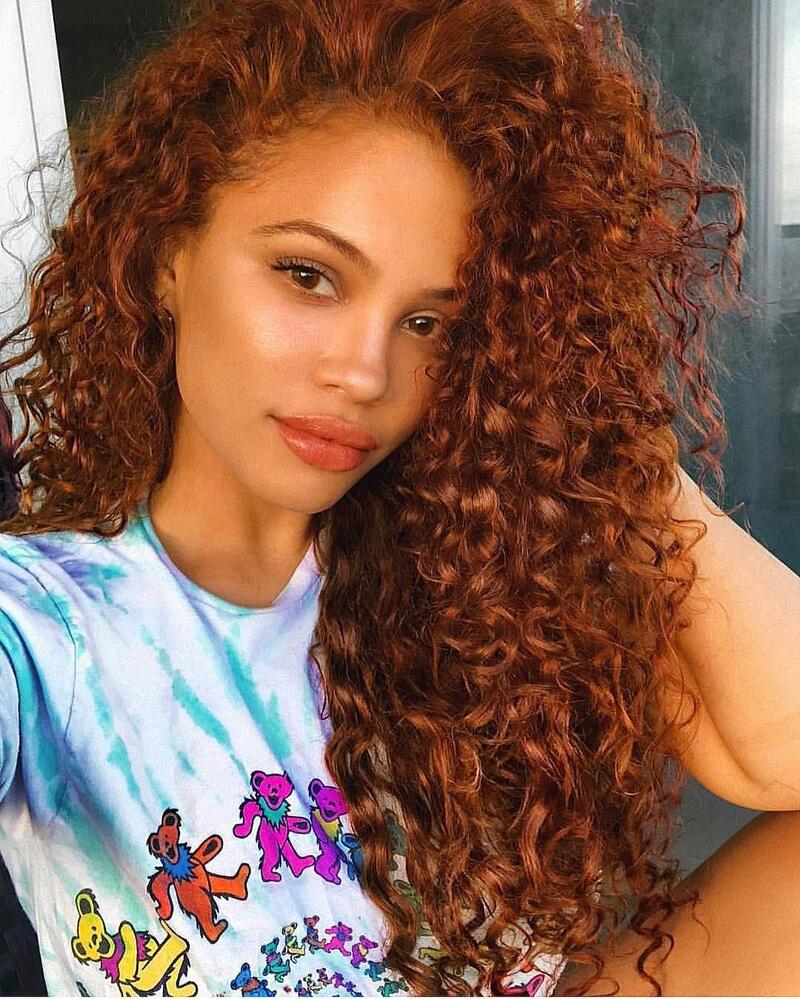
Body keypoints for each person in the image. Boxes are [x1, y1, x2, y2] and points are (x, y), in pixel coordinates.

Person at [1, 0, 800, 995]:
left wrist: (599, 430)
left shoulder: (472, 574)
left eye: (429, 323)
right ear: (168, 256)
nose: (365, 372)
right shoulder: (40, 624)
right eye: (308, 276)